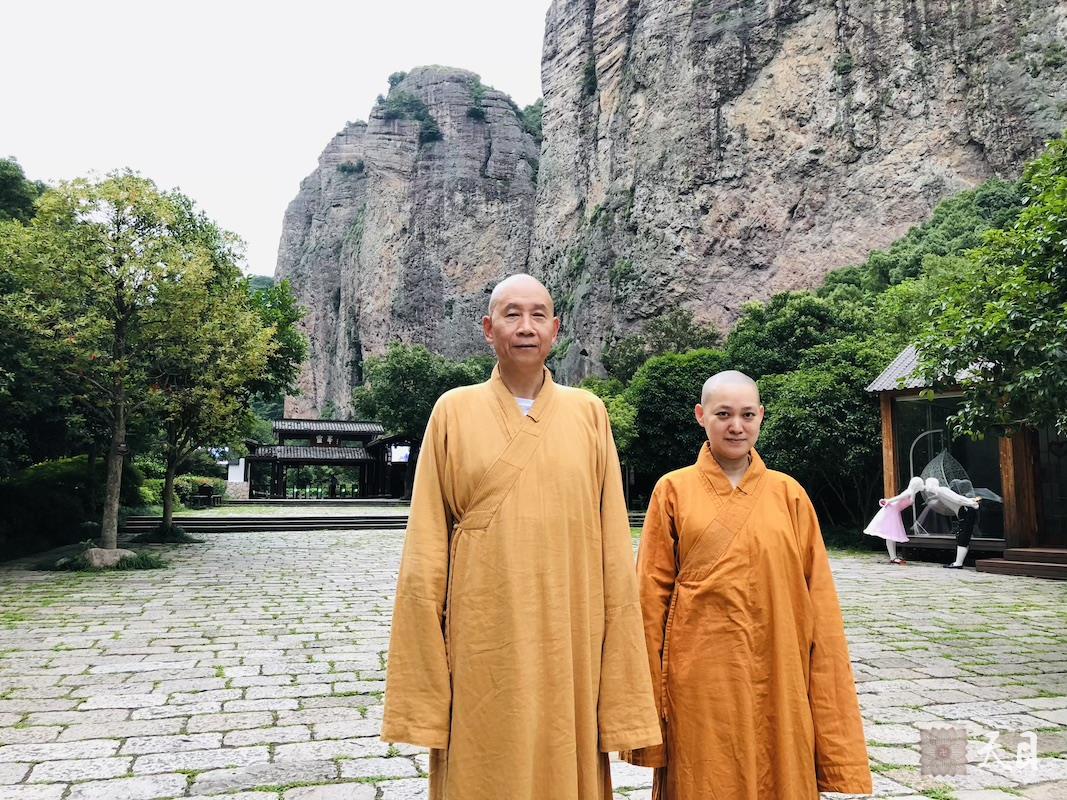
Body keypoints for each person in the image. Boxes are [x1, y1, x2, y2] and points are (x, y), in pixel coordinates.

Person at [381, 274, 660, 800]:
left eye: (538, 316)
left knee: (564, 748)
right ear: (488, 330)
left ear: (555, 330)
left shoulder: (588, 413)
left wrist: (618, 666)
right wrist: (424, 677)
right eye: (511, 314)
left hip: (570, 634)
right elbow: (424, 551)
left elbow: (612, 547)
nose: (525, 327)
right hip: (483, 634)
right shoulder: (452, 411)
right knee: (483, 761)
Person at [622, 370, 872, 800]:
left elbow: (820, 600)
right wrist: (647, 703)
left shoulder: (789, 494)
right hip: (700, 677)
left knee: (781, 765)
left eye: (746, 414)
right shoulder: (673, 490)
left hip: (779, 668)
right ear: (701, 416)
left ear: (761, 417)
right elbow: (649, 600)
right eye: (723, 414)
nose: (736, 426)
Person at [864, 475, 925, 564]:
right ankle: (893, 557)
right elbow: (896, 499)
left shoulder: (911, 493)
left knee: (891, 535)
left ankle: (893, 556)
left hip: (894, 511)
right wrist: (887, 501)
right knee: (890, 534)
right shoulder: (908, 492)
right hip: (891, 511)